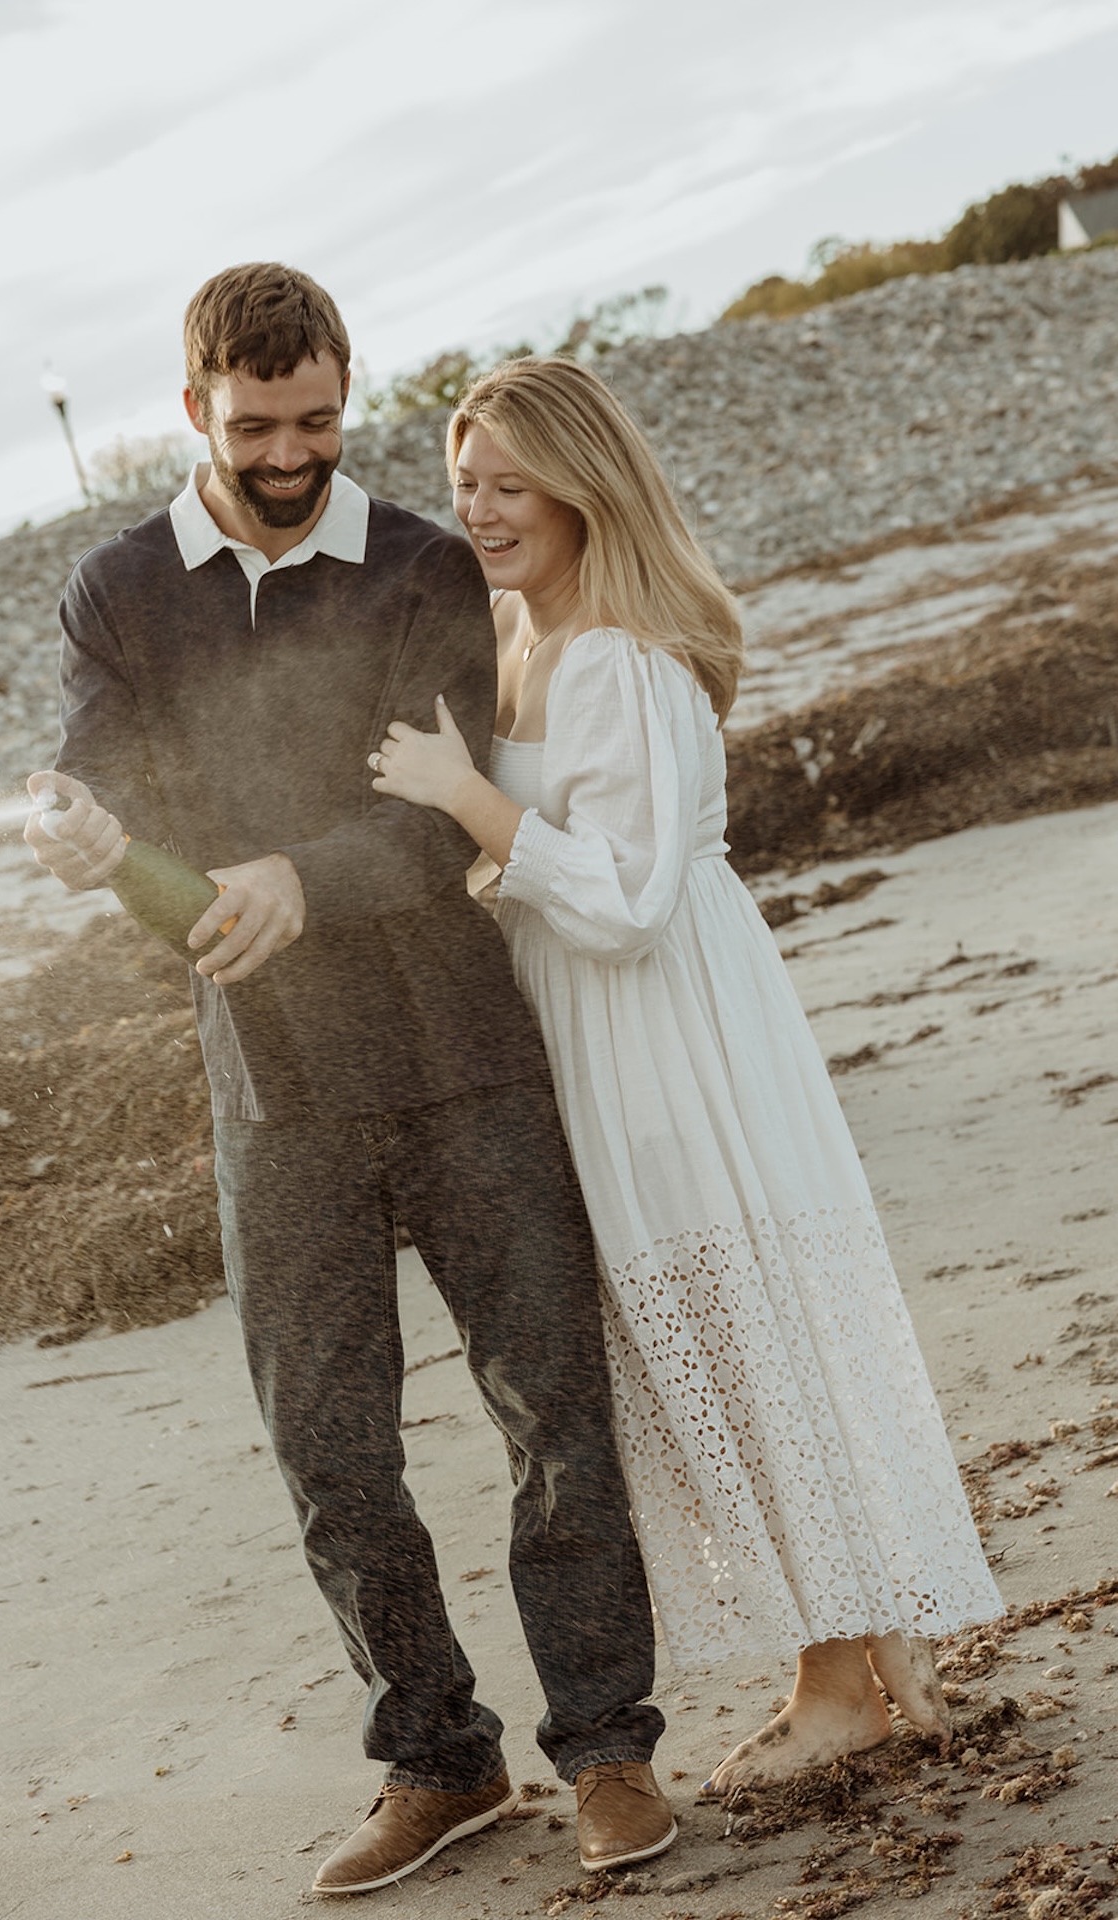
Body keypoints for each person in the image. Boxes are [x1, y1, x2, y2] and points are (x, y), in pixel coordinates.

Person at [23, 268, 676, 1894]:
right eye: (258, 428)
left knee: (551, 1407)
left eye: (319, 419)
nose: (295, 452)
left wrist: (304, 879)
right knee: (326, 1445)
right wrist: (86, 836)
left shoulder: (420, 567)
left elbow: (436, 807)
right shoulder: (117, 591)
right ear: (196, 412)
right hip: (274, 1080)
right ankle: (438, 1762)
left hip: (465, 1056)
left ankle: (604, 1750)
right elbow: (100, 772)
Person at [368, 354, 1004, 1796]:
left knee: (733, 1330)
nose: (480, 507)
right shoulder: (524, 643)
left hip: (666, 1035)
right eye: (465, 481)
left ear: (583, 486)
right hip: (600, 1034)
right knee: (732, 1333)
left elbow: (633, 898)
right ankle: (874, 1636)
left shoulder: (616, 654)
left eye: (511, 482)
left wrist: (463, 797)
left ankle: (838, 1679)